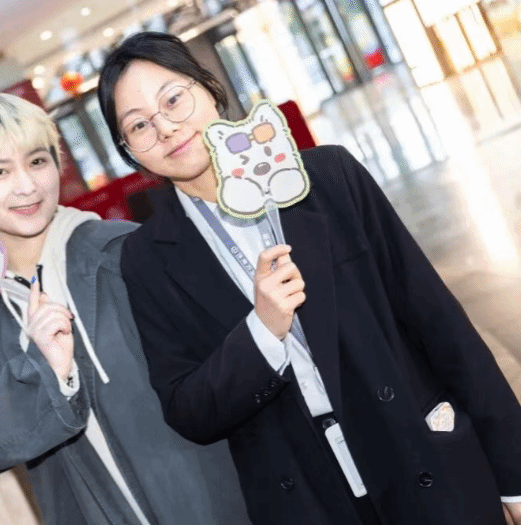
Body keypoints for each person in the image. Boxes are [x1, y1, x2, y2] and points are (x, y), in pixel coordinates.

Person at [96, 31, 521, 525]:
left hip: (420, 456)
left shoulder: (329, 178)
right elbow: (188, 410)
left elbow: (439, 323)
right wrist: (261, 334)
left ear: (209, 88)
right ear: (129, 152)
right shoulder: (147, 258)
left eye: (173, 99)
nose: (167, 128)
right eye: (140, 126)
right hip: (306, 497)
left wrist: (513, 471)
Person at [0, 93, 248, 525]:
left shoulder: (123, 251)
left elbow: (223, 367)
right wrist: (44, 373)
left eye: (37, 161)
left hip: (212, 504)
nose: (26, 186)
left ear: (58, 164)